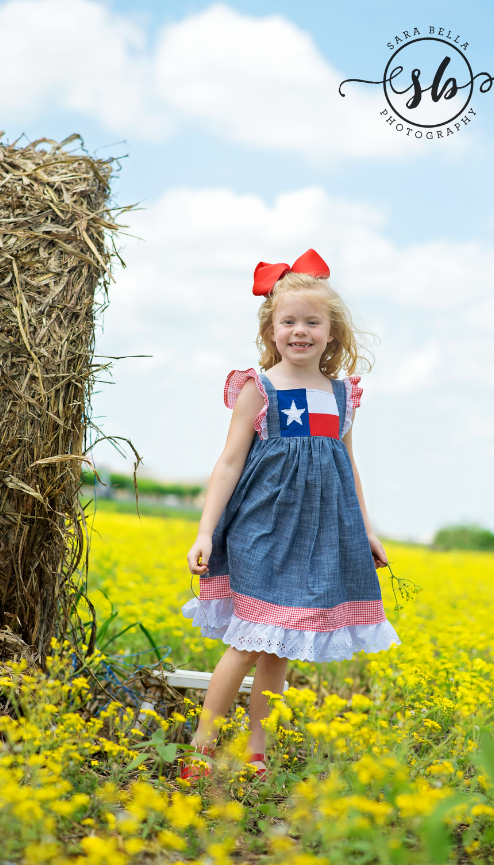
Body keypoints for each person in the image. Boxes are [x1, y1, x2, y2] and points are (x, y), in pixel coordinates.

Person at [181, 249, 399, 782]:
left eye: (312, 322)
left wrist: (366, 531)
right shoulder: (259, 388)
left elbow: (348, 467)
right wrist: (205, 531)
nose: (300, 331)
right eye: (289, 322)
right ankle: (201, 749)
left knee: (280, 649)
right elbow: (229, 463)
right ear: (271, 330)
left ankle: (255, 752)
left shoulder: (342, 395)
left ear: (332, 332)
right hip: (261, 531)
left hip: (316, 538)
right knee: (246, 644)